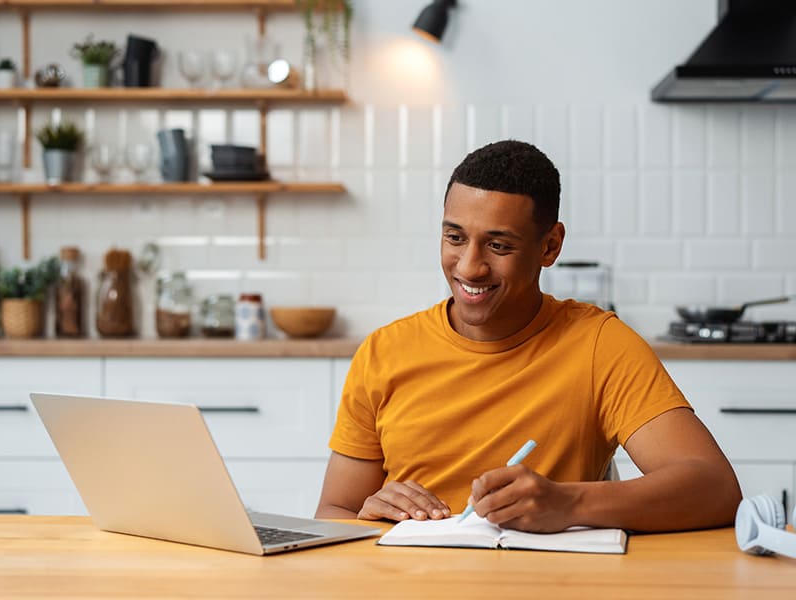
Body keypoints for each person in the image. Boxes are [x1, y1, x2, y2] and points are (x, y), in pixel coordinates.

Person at [315, 139, 741, 533]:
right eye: (454, 237)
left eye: (498, 246)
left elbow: (715, 489)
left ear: (550, 246)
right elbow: (334, 511)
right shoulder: (384, 351)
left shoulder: (599, 345)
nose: (468, 267)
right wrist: (369, 514)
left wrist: (568, 503)